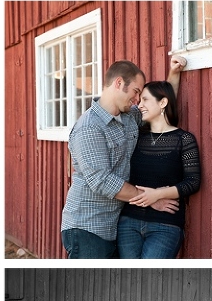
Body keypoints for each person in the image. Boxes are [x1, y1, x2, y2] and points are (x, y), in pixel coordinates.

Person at [60, 56, 186, 259]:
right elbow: (103, 182)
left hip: (112, 226)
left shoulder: (127, 118)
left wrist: (174, 73)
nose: (138, 99)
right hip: (87, 227)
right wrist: (150, 199)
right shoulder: (89, 127)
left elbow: (159, 107)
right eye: (136, 91)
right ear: (119, 83)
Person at [117, 79, 201, 258]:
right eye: (139, 101)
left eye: (145, 100)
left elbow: (192, 182)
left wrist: (157, 195)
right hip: (128, 222)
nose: (139, 105)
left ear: (163, 102)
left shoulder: (183, 139)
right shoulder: (135, 136)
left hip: (165, 225)